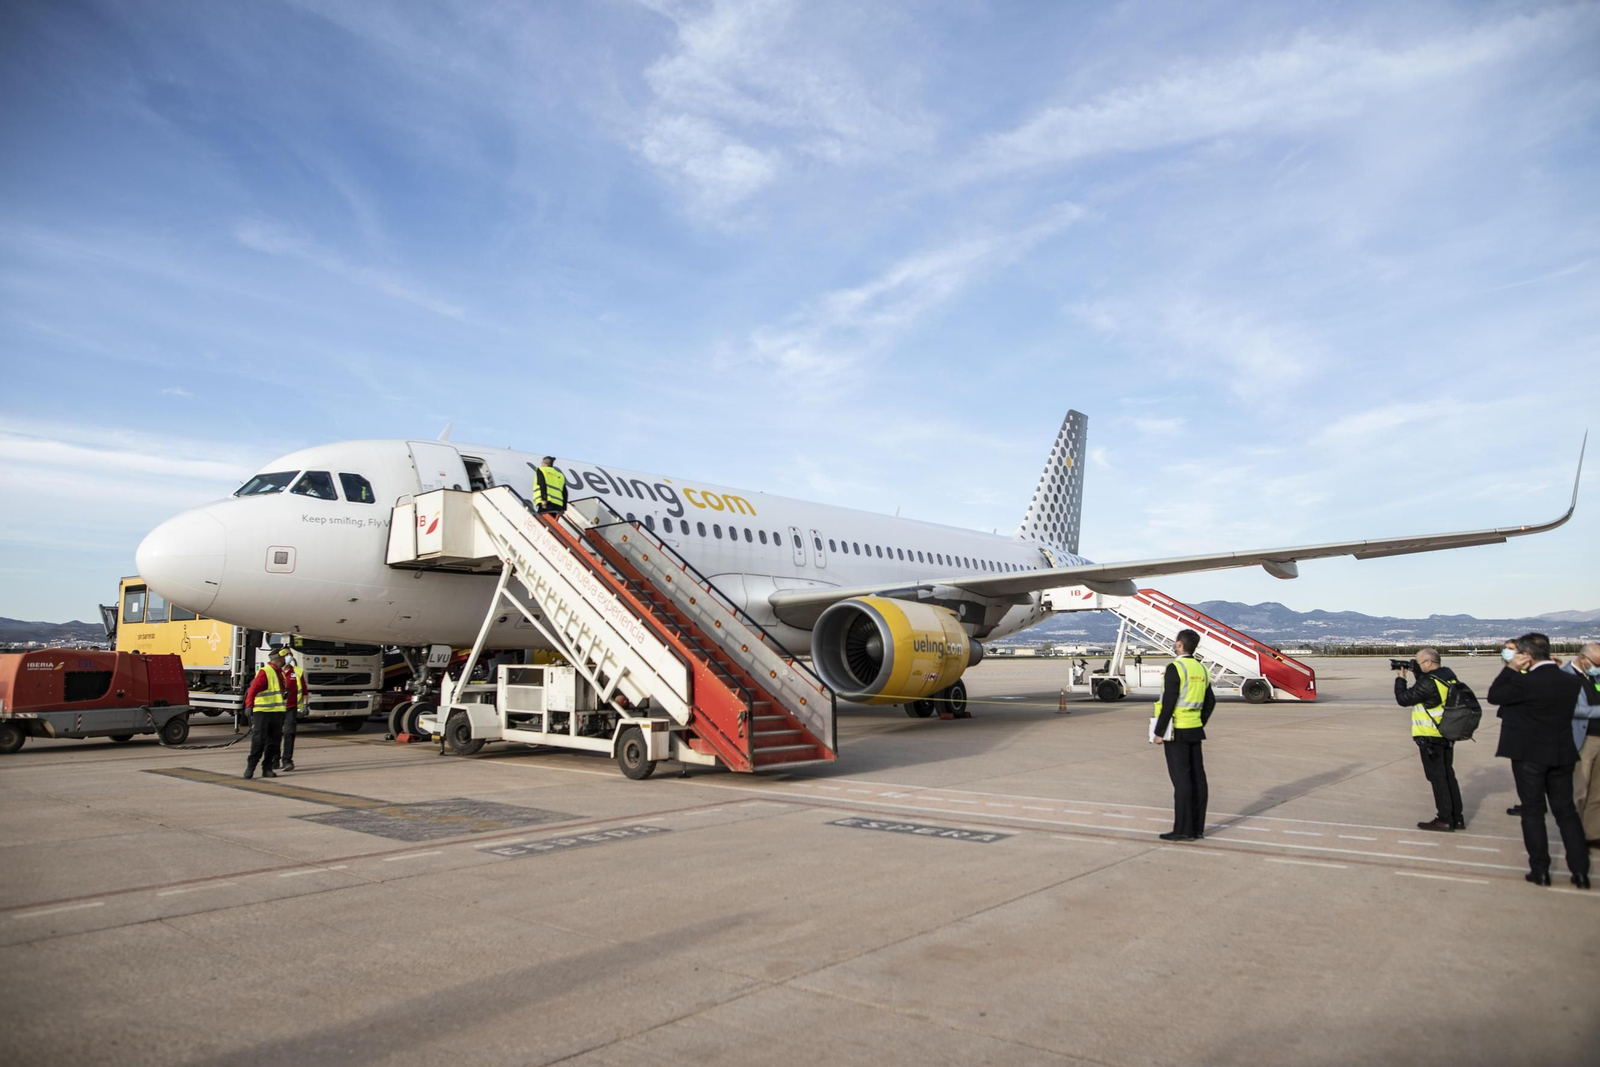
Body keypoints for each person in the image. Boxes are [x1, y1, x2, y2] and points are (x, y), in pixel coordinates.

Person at [1487, 633, 1600, 889]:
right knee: (1566, 813)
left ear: (1526, 655)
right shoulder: (1569, 682)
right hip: (1562, 754)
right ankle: (1580, 872)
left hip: (1529, 756)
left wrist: (1512, 670)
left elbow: (1495, 696)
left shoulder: (1523, 683)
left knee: (1533, 812)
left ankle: (1540, 870)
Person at [1151, 629, 1215, 841]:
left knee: (1182, 782)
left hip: (1177, 731)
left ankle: (1183, 830)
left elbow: (1169, 702)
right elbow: (1210, 702)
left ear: (1179, 645)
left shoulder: (1175, 668)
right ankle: (1197, 828)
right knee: (1198, 780)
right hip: (1195, 730)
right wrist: (1199, 722)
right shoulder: (1202, 669)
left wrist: (1159, 732)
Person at [1393, 648, 1464, 831]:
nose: (1415, 664)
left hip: (1431, 737)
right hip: (1446, 733)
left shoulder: (1429, 682)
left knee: (1438, 779)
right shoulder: (1447, 676)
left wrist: (1401, 677)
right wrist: (1417, 673)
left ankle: (1445, 818)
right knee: (1448, 776)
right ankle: (1457, 817)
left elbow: (1403, 699)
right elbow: (1426, 692)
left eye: (1418, 662)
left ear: (1428, 663)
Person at [1562, 642, 1600, 846]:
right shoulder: (1566, 676)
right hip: (1582, 740)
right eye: (1596, 663)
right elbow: (1576, 709)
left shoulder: (1594, 675)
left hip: (1599, 738)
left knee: (1597, 791)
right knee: (1579, 791)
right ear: (1584, 658)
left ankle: (1592, 833)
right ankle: (1574, 836)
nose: (1598, 668)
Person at [243, 648, 294, 779]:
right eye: (284, 658)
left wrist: (285, 694)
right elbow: (253, 690)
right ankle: (251, 768)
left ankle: (267, 768)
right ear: (278, 659)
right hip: (263, 712)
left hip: (277, 712)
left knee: (274, 743)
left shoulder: (280, 673)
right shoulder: (265, 672)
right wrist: (249, 706)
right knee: (259, 741)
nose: (286, 660)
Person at [278, 647, 307, 772]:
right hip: (276, 708)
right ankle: (274, 759)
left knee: (289, 733)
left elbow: (304, 691)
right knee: (274, 735)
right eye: (286, 654)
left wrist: (305, 705)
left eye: (290, 654)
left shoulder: (297, 672)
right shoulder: (274, 672)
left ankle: (287, 761)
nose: (289, 656)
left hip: (291, 708)